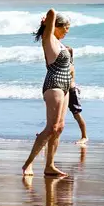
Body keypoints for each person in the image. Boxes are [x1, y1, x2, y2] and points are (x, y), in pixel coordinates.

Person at [21, 10, 76, 179]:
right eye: (66, 27)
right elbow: (52, 11)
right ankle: (28, 164)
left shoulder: (59, 44)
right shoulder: (49, 39)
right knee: (51, 127)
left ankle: (50, 166)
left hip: (65, 86)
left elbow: (70, 67)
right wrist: (47, 22)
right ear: (55, 27)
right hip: (54, 85)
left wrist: (73, 84)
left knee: (59, 128)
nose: (67, 30)